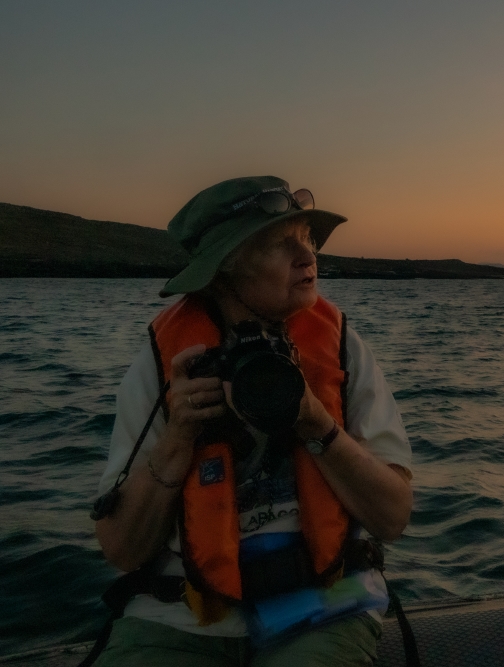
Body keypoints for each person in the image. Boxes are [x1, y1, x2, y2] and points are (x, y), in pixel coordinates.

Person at [91, 176, 413, 666]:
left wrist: (316, 423)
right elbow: (122, 550)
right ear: (224, 269)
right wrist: (178, 437)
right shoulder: (165, 367)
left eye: (306, 238)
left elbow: (392, 518)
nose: (307, 256)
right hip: (181, 616)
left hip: (327, 604)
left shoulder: (343, 349)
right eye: (277, 243)